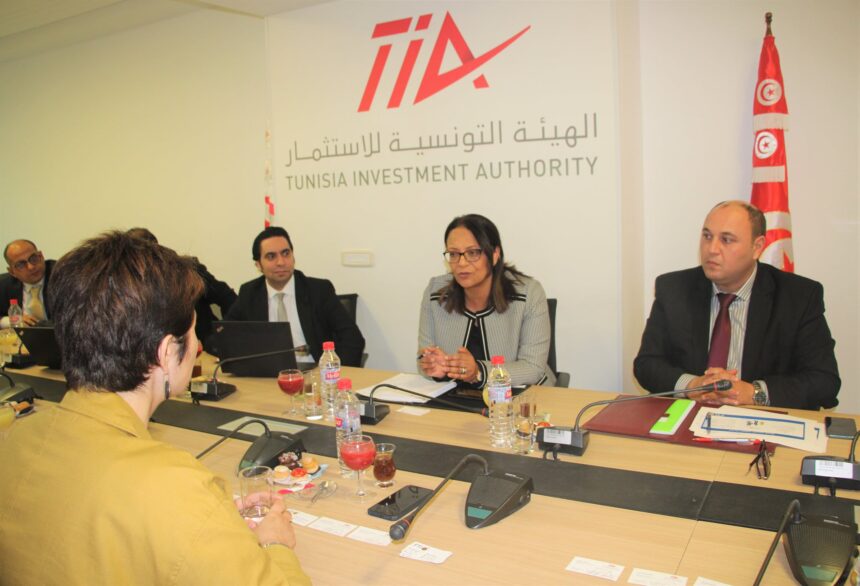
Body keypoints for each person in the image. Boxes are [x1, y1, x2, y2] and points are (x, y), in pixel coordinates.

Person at [0, 232, 311, 585]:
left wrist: (212, 526)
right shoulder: (175, 487)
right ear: (165, 353)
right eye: (192, 333)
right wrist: (275, 544)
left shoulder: (15, 440)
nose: (198, 345)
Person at [634, 200, 840, 410]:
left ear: (757, 247)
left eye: (727, 240)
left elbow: (824, 381)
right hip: (691, 416)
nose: (712, 249)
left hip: (762, 420)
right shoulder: (674, 289)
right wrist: (691, 385)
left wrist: (753, 392)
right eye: (707, 236)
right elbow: (647, 364)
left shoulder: (798, 297)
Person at [418, 214, 555, 387]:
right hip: (457, 395)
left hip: (524, 394)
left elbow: (533, 368)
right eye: (453, 254)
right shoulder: (435, 293)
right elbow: (424, 357)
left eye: (472, 253)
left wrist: (479, 372)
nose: (461, 263)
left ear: (494, 255)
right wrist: (435, 366)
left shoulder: (529, 293)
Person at [225, 226, 365, 367]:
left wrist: (333, 372)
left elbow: (353, 339)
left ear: (293, 256)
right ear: (258, 265)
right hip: (267, 373)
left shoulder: (319, 290)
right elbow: (225, 337)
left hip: (314, 371)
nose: (281, 262)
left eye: (286, 253)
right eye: (271, 256)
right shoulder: (249, 293)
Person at [125, 227, 237, 348]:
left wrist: (220, 336)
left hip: (203, 348)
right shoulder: (128, 286)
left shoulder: (188, 272)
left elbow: (228, 297)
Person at [0, 239, 55, 327]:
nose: (31, 267)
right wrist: (11, 320)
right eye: (20, 264)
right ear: (12, 272)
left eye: (33, 258)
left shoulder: (63, 276)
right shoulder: (3, 285)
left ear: (41, 256)